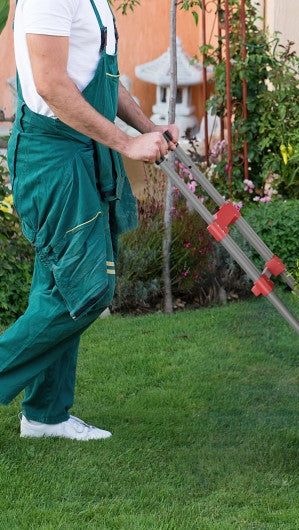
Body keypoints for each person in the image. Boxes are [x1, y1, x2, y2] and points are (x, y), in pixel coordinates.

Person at [0, 0, 179, 440]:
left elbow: (101, 82)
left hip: (82, 150)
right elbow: (52, 86)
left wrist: (147, 129)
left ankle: (46, 415)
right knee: (88, 289)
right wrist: (124, 144)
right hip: (53, 155)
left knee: (57, 284)